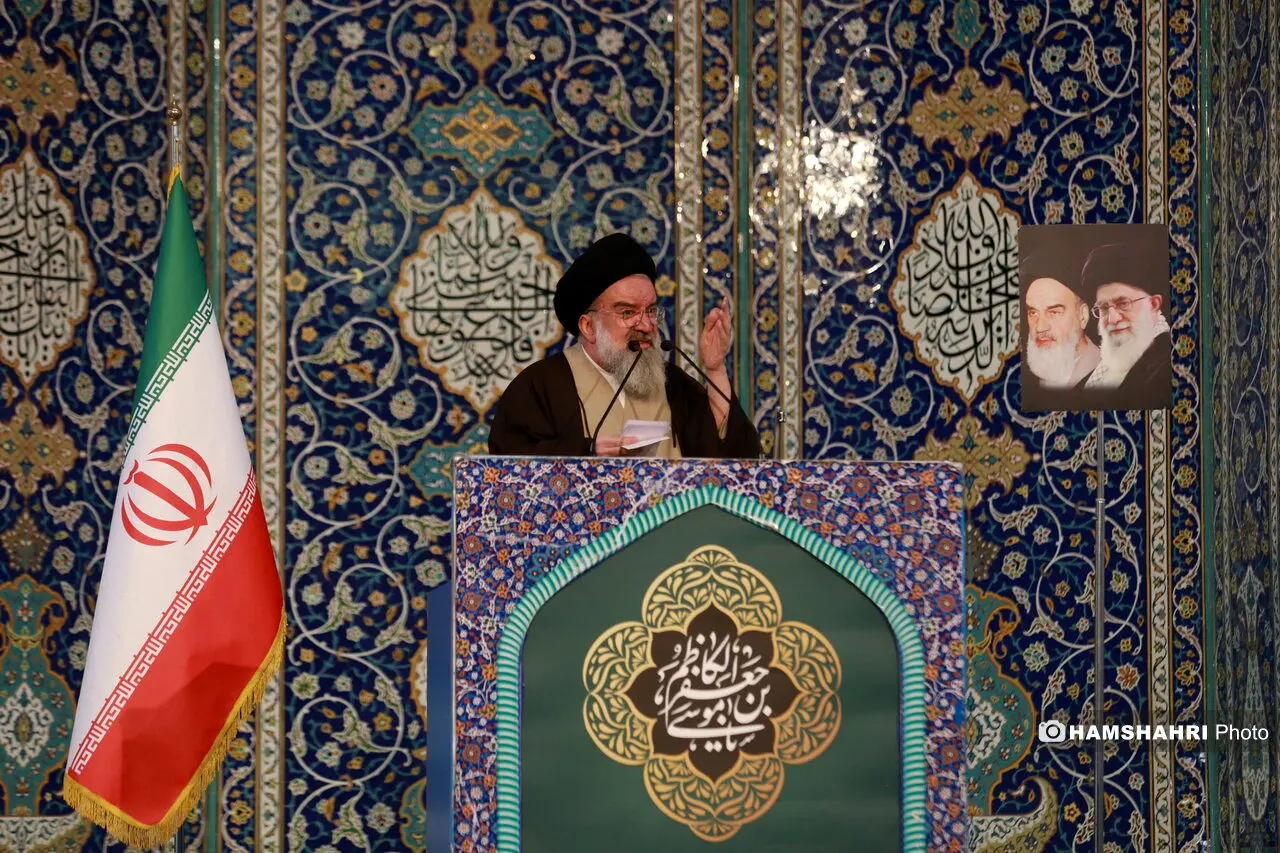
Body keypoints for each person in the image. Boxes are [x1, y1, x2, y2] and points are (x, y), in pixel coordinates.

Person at [489, 233, 761, 458]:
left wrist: (715, 368)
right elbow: (509, 468)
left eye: (651, 311)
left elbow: (731, 455)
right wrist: (585, 451)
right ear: (588, 326)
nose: (646, 325)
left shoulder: (674, 385)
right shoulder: (539, 386)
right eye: (628, 312)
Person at [1078, 241, 1172, 408]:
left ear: (1153, 304)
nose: (1112, 319)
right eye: (1103, 308)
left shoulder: (1167, 366)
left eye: (1123, 304)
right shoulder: (1098, 372)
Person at [1022, 258, 1100, 392]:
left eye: (1054, 313)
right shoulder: (1021, 377)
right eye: (1033, 313)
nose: (1040, 327)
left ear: (1082, 316)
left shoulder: (1105, 376)